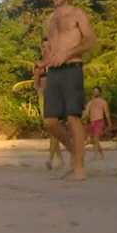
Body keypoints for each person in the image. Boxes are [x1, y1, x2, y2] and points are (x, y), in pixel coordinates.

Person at [35, 0, 98, 181]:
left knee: (72, 118)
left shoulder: (76, 14)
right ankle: (75, 151)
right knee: (50, 122)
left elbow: (91, 41)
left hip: (72, 68)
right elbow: (53, 50)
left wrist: (68, 53)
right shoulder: (50, 20)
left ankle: (79, 167)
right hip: (54, 72)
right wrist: (44, 63)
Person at [33, 39, 65, 171]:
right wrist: (38, 81)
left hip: (56, 98)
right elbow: (36, 85)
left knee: (53, 129)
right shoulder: (38, 65)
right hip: (43, 99)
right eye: (43, 46)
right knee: (51, 129)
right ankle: (60, 159)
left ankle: (50, 159)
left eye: (48, 46)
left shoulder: (56, 63)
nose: (45, 49)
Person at [82, 86, 112, 160]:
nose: (95, 92)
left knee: (96, 138)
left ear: (100, 92)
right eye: (94, 91)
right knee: (94, 140)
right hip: (92, 122)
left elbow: (107, 113)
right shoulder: (90, 102)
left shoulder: (103, 102)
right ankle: (101, 154)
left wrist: (109, 123)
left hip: (100, 121)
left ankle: (95, 155)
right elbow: (86, 113)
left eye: (97, 91)